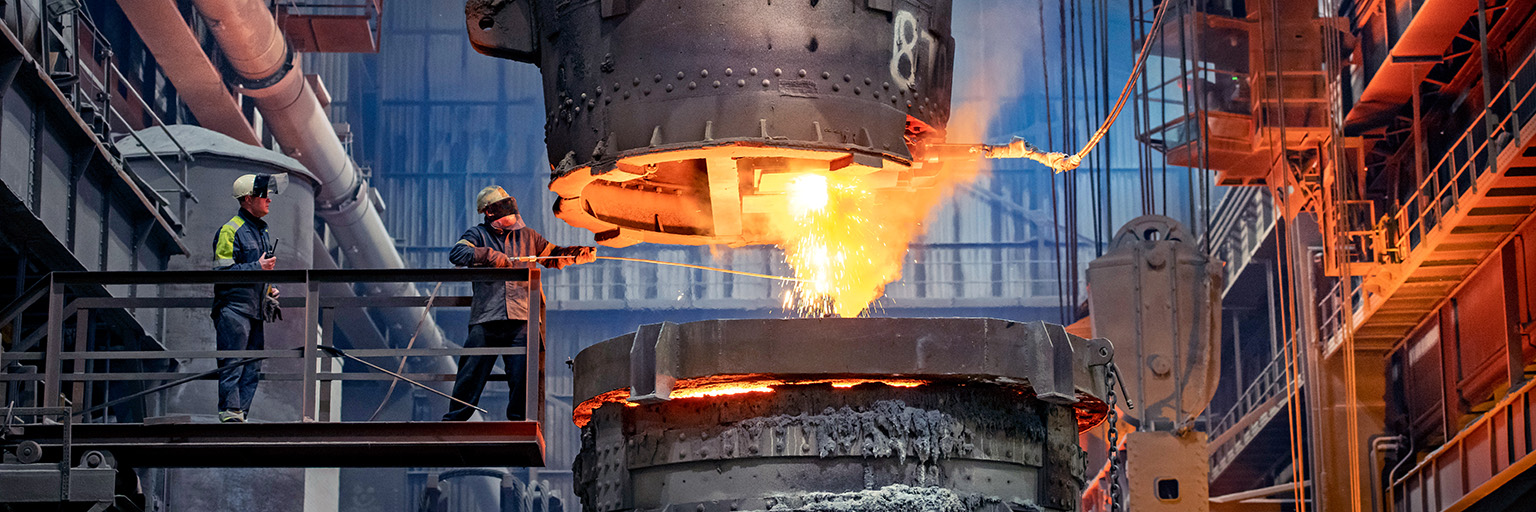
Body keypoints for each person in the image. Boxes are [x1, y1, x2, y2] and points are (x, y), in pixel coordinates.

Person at [443, 186, 595, 421]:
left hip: (522, 318)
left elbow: (552, 255)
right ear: (489, 214)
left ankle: (519, 422)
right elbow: (458, 253)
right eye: (505, 217)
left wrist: (576, 253)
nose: (511, 220)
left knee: (522, 375)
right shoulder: (477, 235)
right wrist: (489, 256)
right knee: (471, 371)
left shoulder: (528, 236)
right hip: (487, 317)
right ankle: (456, 418)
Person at [211, 173, 286, 423]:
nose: (269, 200)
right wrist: (258, 268)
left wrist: (269, 289)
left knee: (252, 365)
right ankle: (230, 412)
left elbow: (257, 269)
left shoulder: (261, 232)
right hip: (233, 309)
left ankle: (241, 413)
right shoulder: (230, 231)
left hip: (254, 311)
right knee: (232, 362)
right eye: (264, 195)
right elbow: (222, 272)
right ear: (247, 199)